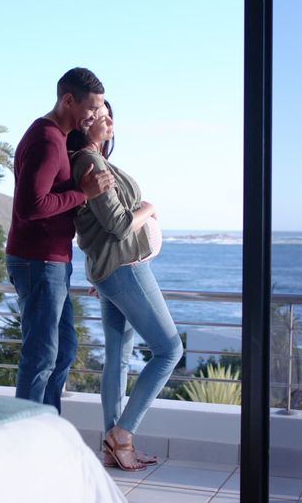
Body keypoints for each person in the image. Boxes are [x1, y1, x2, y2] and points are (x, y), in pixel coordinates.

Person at [67, 100, 183, 472]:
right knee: (169, 350)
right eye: (97, 116)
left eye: (108, 114)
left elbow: (96, 230)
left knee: (118, 356)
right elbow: (118, 226)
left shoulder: (93, 161)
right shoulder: (90, 162)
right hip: (125, 270)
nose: (107, 120)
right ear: (83, 124)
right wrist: (149, 208)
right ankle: (122, 434)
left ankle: (111, 446)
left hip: (111, 272)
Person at [6, 67, 115, 413]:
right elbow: (30, 207)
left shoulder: (55, 138)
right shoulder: (47, 141)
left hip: (53, 260)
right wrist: (83, 193)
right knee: (41, 354)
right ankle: (26, 430)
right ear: (68, 100)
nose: (94, 116)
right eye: (91, 108)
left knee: (64, 349)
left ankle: (47, 421)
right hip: (37, 260)